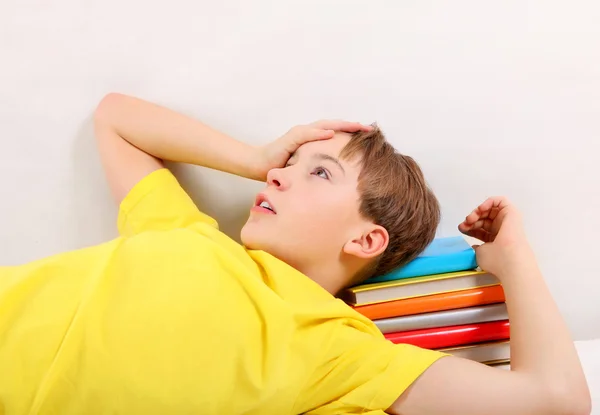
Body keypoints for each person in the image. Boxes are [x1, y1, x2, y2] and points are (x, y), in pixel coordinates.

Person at [0, 93, 590, 415]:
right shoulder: (187, 231)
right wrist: (256, 157)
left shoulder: (340, 352)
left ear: (364, 240)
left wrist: (513, 257)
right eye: (287, 168)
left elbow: (556, 401)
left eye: (319, 173)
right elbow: (117, 117)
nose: (279, 178)